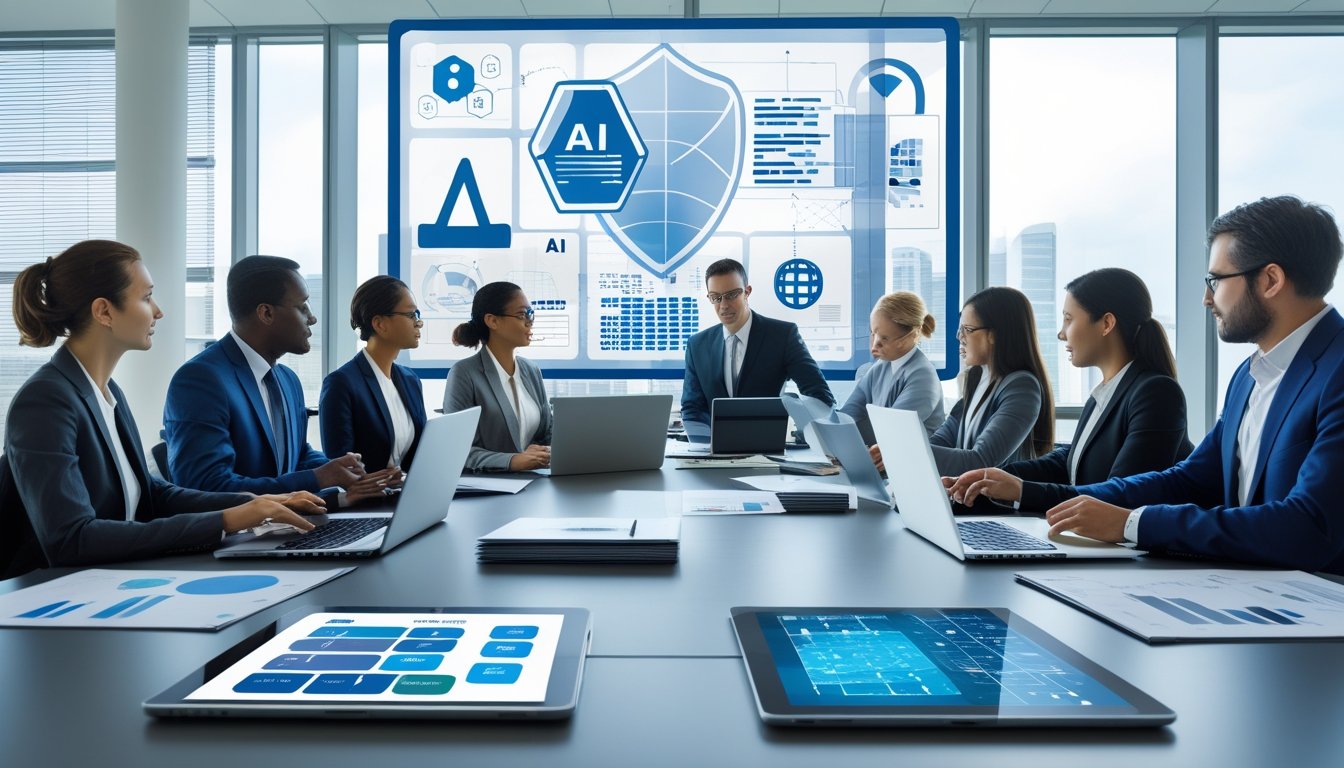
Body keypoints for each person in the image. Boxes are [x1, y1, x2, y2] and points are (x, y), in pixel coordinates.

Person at [1042, 196, 1344, 575]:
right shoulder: (1248, 376)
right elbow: (1190, 480)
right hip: (1245, 587)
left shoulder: (1336, 371)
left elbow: (1308, 527)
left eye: (1216, 280)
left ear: (1270, 280)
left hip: (1320, 601)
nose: (1206, 298)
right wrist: (1045, 498)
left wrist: (1132, 524)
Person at [0, 241, 322, 578]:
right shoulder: (46, 400)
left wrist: (256, 503)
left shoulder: (107, 392)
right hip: (59, 595)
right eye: (146, 297)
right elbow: (72, 539)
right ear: (104, 311)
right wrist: (226, 520)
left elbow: (152, 495)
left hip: (114, 580)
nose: (158, 311)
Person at [945, 268, 1193, 512]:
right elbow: (1070, 461)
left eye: (1068, 319)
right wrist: (988, 479)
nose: (1061, 334)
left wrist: (1022, 491)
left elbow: (1121, 495)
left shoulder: (1156, 393)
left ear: (1106, 323)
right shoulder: (1103, 395)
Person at [164, 255, 394, 503]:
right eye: (303, 307)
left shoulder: (288, 380)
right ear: (266, 313)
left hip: (293, 522)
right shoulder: (201, 380)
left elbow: (298, 456)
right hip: (244, 528)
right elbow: (206, 487)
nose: (312, 318)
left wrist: (350, 474)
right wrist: (318, 478)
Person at [875, 286, 1053, 477]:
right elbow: (942, 440)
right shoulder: (976, 381)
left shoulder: (1022, 387)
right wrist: (894, 450)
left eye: (967, 329)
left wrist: (904, 452)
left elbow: (980, 461)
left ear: (995, 334)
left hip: (991, 497)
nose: (959, 337)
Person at [680, 258, 834, 427]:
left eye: (732, 295)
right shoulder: (697, 345)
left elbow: (820, 396)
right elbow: (692, 407)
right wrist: (701, 438)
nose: (723, 305)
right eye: (716, 297)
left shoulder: (782, 336)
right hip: (713, 443)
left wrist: (802, 429)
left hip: (768, 440)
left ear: (747, 292)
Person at [319, 276, 427, 476]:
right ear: (379, 324)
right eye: (411, 314)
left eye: (417, 314)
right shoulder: (341, 384)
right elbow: (340, 466)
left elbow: (420, 453)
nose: (419, 322)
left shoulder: (410, 380)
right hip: (367, 495)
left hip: (408, 491)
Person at [443, 281, 552, 471]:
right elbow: (457, 449)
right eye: (522, 314)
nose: (529, 321)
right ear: (492, 321)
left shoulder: (532, 370)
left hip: (535, 479)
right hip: (488, 484)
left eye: (530, 313)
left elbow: (547, 433)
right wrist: (512, 461)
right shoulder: (464, 373)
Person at [839, 291, 945, 444]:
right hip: (885, 452)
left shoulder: (923, 376)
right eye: (873, 333)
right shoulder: (881, 366)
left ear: (911, 336)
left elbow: (894, 430)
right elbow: (850, 413)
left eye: (884, 338)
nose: (875, 344)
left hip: (910, 456)